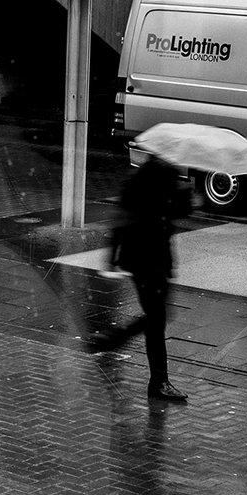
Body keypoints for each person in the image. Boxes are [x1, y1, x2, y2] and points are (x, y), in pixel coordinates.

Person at [91, 156, 191, 402]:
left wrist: (184, 196)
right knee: (157, 318)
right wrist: (111, 257)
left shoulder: (160, 176)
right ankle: (158, 381)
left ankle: (118, 340)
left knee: (157, 317)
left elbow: (173, 213)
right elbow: (125, 220)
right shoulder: (150, 178)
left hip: (151, 258)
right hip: (146, 259)